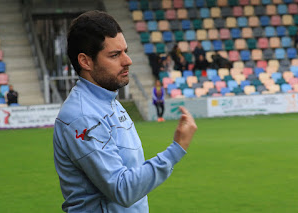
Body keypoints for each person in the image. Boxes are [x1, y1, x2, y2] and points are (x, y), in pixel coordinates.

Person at [53, 10, 197, 213]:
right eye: (114, 55)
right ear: (85, 61)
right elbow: (122, 190)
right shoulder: (83, 116)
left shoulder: (108, 99)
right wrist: (176, 149)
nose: (127, 60)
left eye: (125, 51)